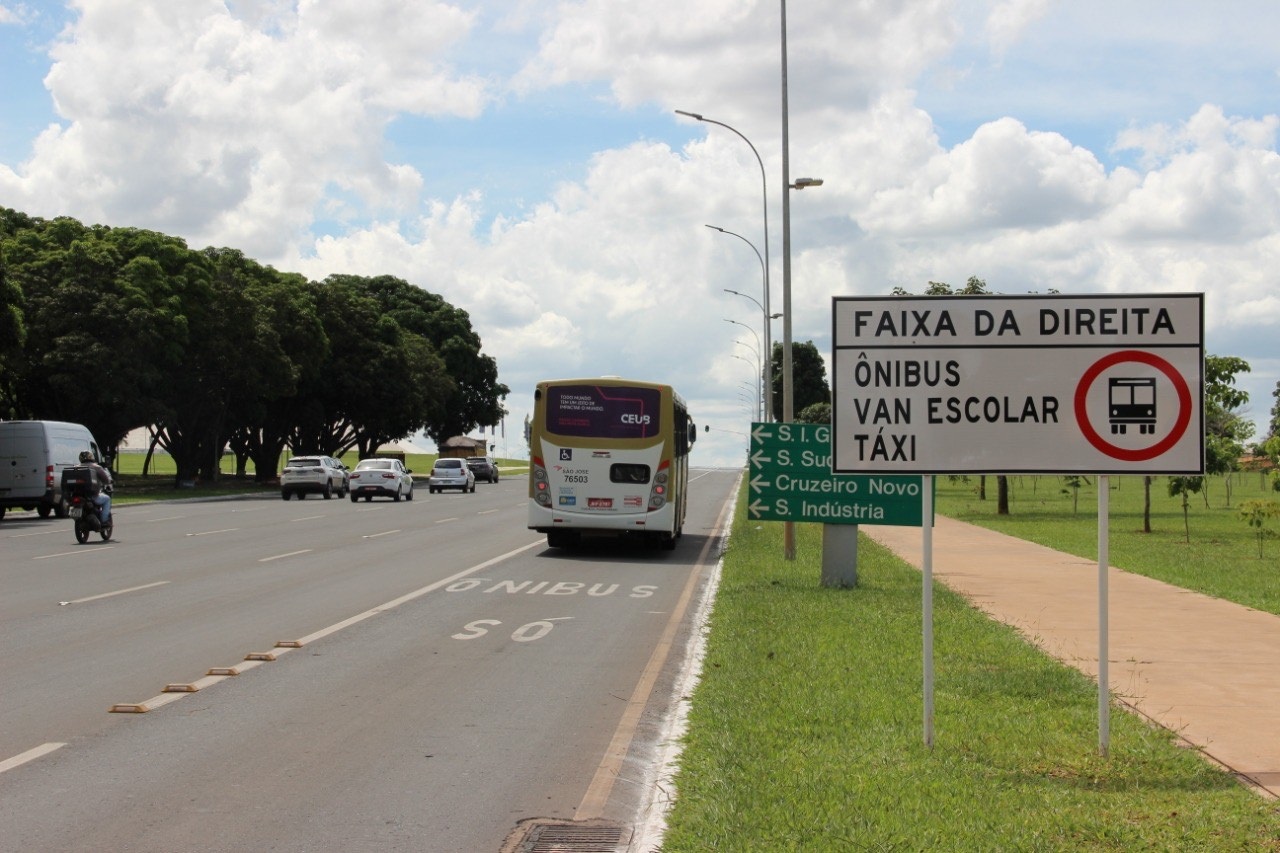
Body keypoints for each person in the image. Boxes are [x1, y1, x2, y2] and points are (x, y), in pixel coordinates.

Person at [78, 450, 113, 524]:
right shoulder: (97, 467)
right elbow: (106, 479)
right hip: (92, 496)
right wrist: (109, 481)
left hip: (78, 495)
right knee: (107, 499)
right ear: (91, 457)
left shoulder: (76, 467)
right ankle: (104, 520)